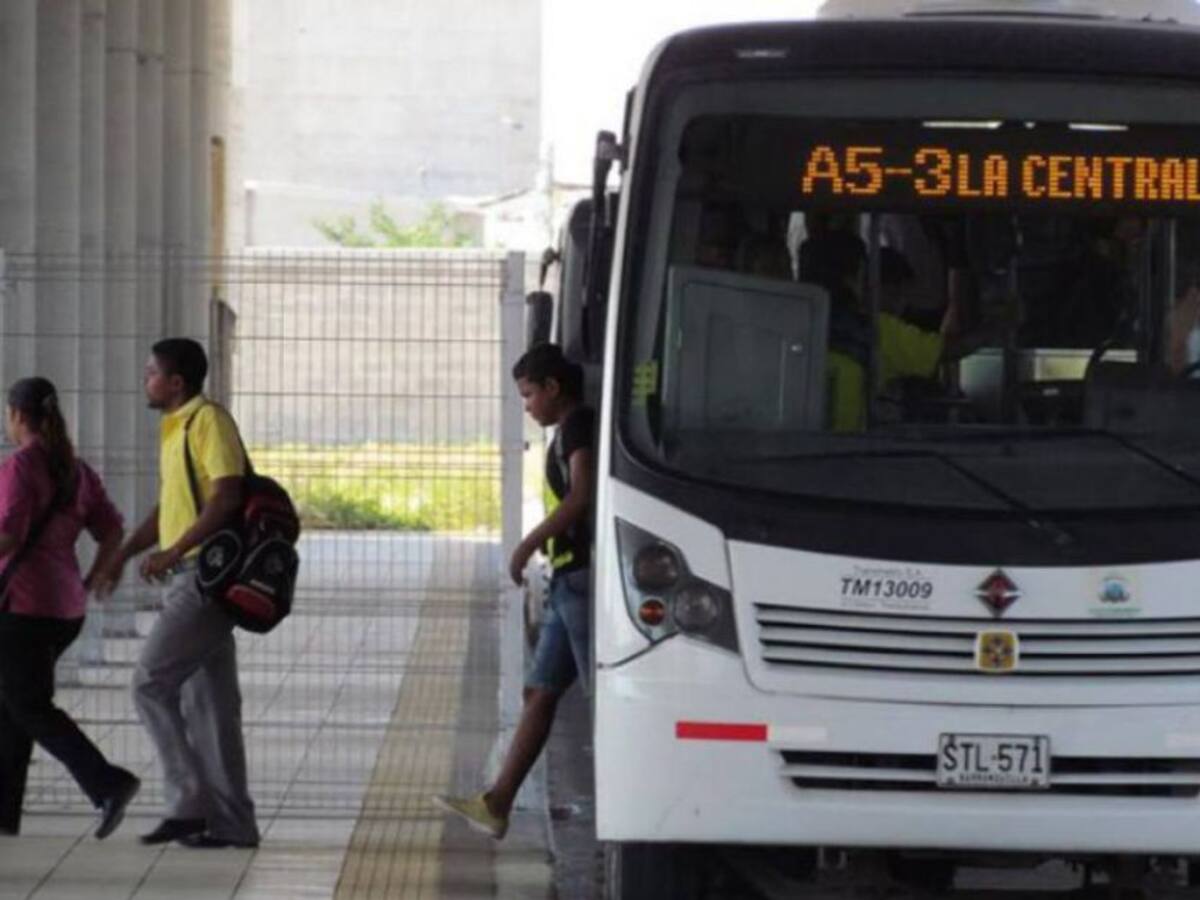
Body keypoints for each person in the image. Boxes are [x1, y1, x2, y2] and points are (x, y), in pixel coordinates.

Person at [91, 339, 259, 849]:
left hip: (205, 578)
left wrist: (173, 552)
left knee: (149, 682)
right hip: (192, 572)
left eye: (151, 373)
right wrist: (122, 556)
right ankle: (233, 825)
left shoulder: (208, 421)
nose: (146, 380)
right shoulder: (177, 429)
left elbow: (226, 497)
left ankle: (188, 803)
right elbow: (171, 510)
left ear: (176, 383)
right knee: (211, 704)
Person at [433, 343, 594, 840]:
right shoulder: (565, 429)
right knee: (538, 692)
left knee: (602, 700)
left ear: (553, 388)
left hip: (581, 583)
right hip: (567, 582)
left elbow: (582, 497)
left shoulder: (578, 427)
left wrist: (528, 545)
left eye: (529, 395)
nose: (526, 406)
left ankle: (631, 804)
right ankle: (497, 802)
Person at [0, 377, 140, 839]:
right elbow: (112, 529)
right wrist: (98, 573)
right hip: (65, 609)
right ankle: (4, 815)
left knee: (28, 704)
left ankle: (106, 783)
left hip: (24, 607)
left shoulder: (21, 465)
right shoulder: (75, 469)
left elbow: (10, 534)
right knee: (12, 706)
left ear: (17, 415)